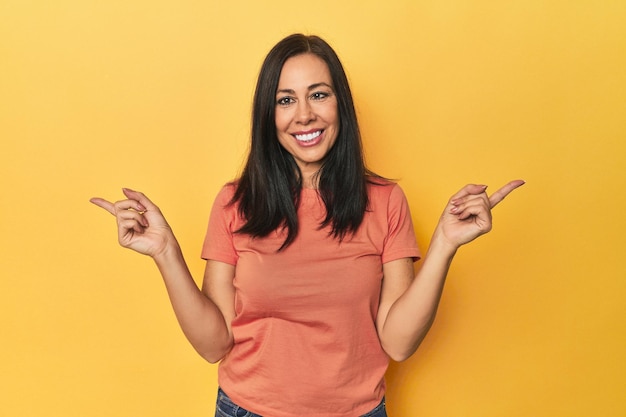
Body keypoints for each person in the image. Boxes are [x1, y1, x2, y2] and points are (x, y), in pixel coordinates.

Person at [90, 34, 524, 417]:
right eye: (285, 99)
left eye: (318, 95)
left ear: (341, 105)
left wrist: (446, 243)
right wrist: (166, 253)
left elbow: (397, 343)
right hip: (247, 410)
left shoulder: (386, 202)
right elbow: (213, 344)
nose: (303, 115)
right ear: (268, 115)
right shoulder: (234, 203)